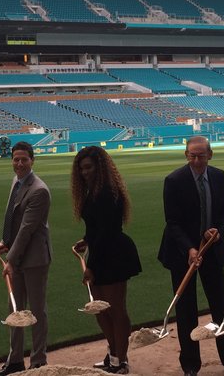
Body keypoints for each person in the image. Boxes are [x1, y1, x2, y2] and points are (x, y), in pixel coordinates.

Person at [159, 136, 224, 376]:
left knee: (221, 307)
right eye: (191, 155)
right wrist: (190, 248)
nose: (196, 160)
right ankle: (191, 366)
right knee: (186, 311)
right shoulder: (174, 180)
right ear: (186, 155)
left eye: (200, 155)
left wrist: (217, 233)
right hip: (182, 254)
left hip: (212, 252)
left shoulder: (218, 176)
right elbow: (172, 222)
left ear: (210, 155)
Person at [71, 146, 141, 375]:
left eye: (89, 167)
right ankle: (113, 355)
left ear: (100, 167)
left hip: (114, 255)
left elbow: (107, 231)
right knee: (101, 310)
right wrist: (86, 240)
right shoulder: (93, 191)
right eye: (81, 169)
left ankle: (122, 360)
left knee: (116, 310)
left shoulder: (108, 192)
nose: (84, 173)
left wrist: (90, 266)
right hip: (100, 251)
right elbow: (96, 228)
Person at [0, 141, 52, 376]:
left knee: (36, 311)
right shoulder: (16, 182)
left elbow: (27, 229)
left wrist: (10, 261)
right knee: (15, 310)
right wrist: (5, 242)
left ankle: (38, 362)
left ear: (32, 160)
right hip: (17, 254)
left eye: (24, 159)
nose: (19, 163)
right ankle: (15, 360)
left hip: (35, 258)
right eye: (16, 159)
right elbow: (14, 221)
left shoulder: (39, 190)